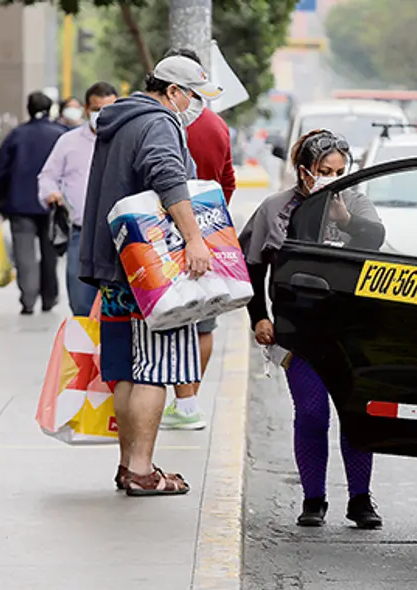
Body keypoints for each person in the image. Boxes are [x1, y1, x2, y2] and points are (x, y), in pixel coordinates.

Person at [79, 54, 223, 496]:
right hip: (150, 272)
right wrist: (195, 239)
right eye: (195, 96)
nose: (198, 106)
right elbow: (167, 176)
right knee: (152, 371)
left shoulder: (119, 120)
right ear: (173, 91)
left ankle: (130, 465)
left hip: (118, 266)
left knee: (125, 370)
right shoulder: (159, 122)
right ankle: (141, 470)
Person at [238, 129, 385, 528]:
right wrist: (259, 317)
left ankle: (360, 500)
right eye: (323, 171)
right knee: (312, 413)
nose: (331, 178)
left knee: (356, 416)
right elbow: (251, 267)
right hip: (297, 333)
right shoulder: (274, 209)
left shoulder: (356, 203)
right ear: (304, 170)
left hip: (350, 334)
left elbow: (376, 240)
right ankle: (313, 499)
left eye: (339, 170)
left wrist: (346, 220)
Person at [158, 48, 237, 431]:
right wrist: (208, 225)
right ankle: (188, 402)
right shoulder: (217, 127)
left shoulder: (157, 123)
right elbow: (228, 183)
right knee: (204, 322)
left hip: (158, 235)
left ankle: (169, 397)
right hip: (204, 233)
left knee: (165, 317)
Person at [38, 82, 119, 316]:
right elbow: (47, 176)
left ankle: (109, 351)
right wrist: (51, 193)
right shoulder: (68, 142)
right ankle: (84, 350)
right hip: (81, 234)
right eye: (96, 109)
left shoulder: (125, 141)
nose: (102, 115)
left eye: (109, 108)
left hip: (119, 235)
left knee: (116, 306)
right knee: (81, 304)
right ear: (86, 109)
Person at [0, 91, 67, 314]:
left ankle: (28, 300)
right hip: (52, 205)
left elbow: (1, 172)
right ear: (50, 109)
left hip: (20, 205)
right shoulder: (61, 134)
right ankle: (50, 297)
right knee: (50, 253)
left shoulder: (16, 135)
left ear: (28, 108)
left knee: (24, 254)